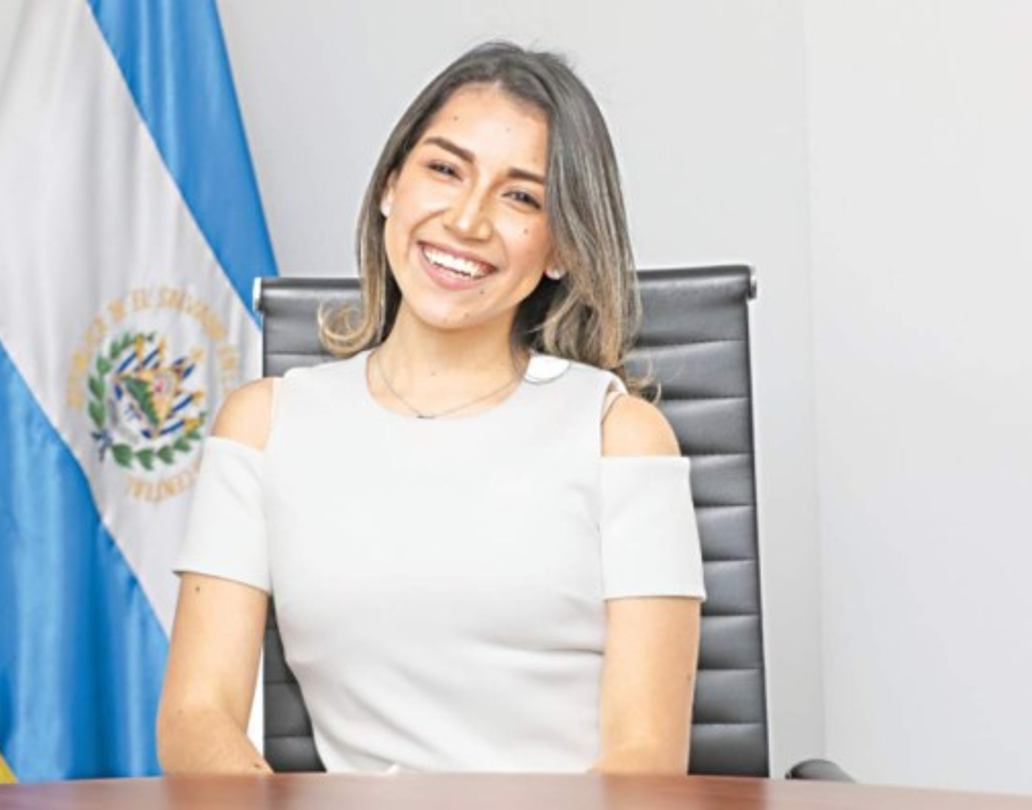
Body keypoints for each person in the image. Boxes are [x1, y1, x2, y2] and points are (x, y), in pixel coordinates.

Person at [156, 41, 705, 776]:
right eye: (444, 169)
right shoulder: (265, 426)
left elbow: (645, 756)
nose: (468, 220)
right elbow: (198, 717)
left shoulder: (622, 439)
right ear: (390, 186)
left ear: (561, 249)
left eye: (521, 197)